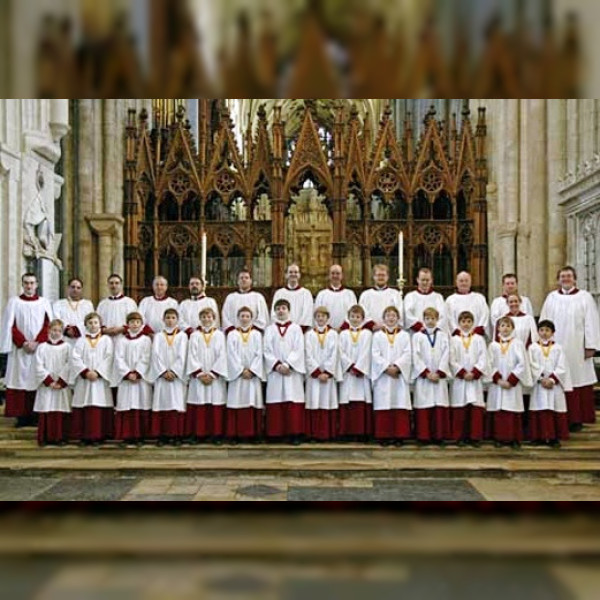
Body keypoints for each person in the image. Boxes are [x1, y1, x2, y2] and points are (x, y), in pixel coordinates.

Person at [540, 266, 600, 431]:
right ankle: (560, 419)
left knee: (577, 379)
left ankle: (577, 419)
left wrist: (591, 346)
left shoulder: (584, 297)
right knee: (558, 378)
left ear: (574, 279)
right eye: (562, 276)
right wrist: (543, 344)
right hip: (555, 348)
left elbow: (591, 322)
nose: (565, 279)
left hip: (577, 348)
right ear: (558, 279)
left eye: (568, 276)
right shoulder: (551, 298)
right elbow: (544, 323)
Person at [0, 273, 53, 426]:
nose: (29, 286)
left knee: (37, 380)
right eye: (26, 283)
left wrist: (37, 342)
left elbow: (48, 324)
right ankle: (21, 417)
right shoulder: (14, 302)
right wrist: (23, 342)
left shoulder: (44, 302)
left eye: (32, 283)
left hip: (38, 350)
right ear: (22, 285)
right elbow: (11, 325)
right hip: (20, 351)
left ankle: (37, 416)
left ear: (37, 285)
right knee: (19, 381)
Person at [263, 299, 306, 443]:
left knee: (292, 401)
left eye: (283, 308)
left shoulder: (296, 328)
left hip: (291, 372)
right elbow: (266, 349)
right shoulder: (269, 329)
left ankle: (294, 433)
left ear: (289, 310)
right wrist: (276, 365)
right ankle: (276, 433)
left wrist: (288, 364)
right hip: (276, 371)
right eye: (278, 308)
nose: (281, 311)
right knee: (276, 401)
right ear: (274, 311)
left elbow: (299, 348)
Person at [69, 312, 114, 445]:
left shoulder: (106, 340)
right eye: (90, 323)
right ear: (85, 325)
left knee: (99, 406)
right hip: (85, 380)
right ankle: (84, 436)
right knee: (84, 406)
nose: (93, 325)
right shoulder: (81, 341)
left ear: (100, 324)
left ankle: (99, 435)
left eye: (95, 322)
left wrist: (98, 372)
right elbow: (75, 357)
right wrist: (85, 372)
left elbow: (109, 357)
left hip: (100, 380)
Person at [487, 316, 531, 448]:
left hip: (512, 384)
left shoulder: (517, 344)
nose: (505, 328)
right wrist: (498, 379)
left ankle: (514, 438)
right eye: (502, 326)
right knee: (499, 410)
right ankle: (499, 438)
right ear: (498, 328)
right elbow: (489, 364)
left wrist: (511, 380)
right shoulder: (493, 345)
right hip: (498, 384)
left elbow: (522, 364)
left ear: (512, 328)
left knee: (512, 410)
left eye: (508, 326)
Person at [371, 306, 412, 446]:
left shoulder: (404, 335)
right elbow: (375, 354)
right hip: (384, 376)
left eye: (393, 315)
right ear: (383, 318)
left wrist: (398, 367)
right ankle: (384, 436)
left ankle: (399, 436)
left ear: (398, 318)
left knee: (399, 404)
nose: (391, 318)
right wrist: (386, 368)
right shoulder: (378, 335)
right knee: (384, 404)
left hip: (399, 376)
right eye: (388, 315)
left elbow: (407, 353)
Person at [185, 307, 227, 443]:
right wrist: (199, 373)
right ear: (200, 319)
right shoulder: (195, 335)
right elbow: (191, 355)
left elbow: (222, 355)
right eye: (203, 317)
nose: (206, 319)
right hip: (199, 377)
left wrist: (213, 373)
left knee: (215, 405)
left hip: (215, 377)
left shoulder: (219, 335)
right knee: (199, 405)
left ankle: (216, 435)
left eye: (209, 317)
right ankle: (198, 434)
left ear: (214, 319)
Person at [148, 308, 188, 445]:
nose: (170, 320)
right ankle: (162, 436)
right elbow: (155, 355)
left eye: (173, 318)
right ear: (163, 320)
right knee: (162, 405)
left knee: (176, 405)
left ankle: (177, 435)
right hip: (162, 377)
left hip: (176, 378)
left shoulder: (182, 336)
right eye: (168, 318)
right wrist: (163, 371)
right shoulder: (159, 336)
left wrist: (175, 371)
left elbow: (182, 356)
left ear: (177, 320)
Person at [411, 307, 451, 444]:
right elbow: (415, 356)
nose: (430, 321)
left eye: (433, 319)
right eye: (427, 319)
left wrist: (440, 372)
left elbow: (447, 354)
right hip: (424, 377)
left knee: (438, 406)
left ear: (437, 320)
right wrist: (425, 372)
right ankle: (424, 436)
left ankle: (438, 436)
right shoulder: (417, 336)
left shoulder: (443, 336)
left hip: (438, 377)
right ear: (423, 320)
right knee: (424, 406)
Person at [528, 320, 571, 447]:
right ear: (538, 332)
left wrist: (552, 379)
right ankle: (538, 437)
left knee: (553, 408)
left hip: (554, 385)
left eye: (547, 330)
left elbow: (562, 365)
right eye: (541, 330)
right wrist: (541, 378)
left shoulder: (558, 348)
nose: (544, 333)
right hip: (539, 384)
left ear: (553, 332)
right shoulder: (533, 347)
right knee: (539, 408)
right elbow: (531, 365)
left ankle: (553, 438)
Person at [112, 312, 153, 445]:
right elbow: (118, 358)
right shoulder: (121, 340)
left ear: (142, 324)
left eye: (137, 322)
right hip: (126, 379)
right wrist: (127, 373)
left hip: (141, 379)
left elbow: (146, 357)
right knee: (126, 406)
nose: (134, 324)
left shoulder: (146, 340)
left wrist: (137, 372)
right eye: (132, 322)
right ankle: (127, 435)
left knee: (140, 404)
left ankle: (140, 435)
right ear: (127, 324)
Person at [226, 306, 265, 442]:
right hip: (238, 376)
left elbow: (259, 354)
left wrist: (252, 370)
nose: (244, 319)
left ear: (251, 318)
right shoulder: (232, 334)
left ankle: (253, 434)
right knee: (237, 402)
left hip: (252, 376)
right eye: (242, 316)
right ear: (238, 318)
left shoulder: (256, 334)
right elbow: (231, 354)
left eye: (247, 316)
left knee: (252, 402)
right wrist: (240, 370)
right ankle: (235, 434)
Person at [449, 311, 488, 445]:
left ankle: (475, 437)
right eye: (463, 322)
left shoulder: (478, 339)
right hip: (460, 379)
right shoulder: (454, 340)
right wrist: (462, 373)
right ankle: (460, 437)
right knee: (460, 409)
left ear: (473, 323)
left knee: (474, 409)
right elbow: (451, 359)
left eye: (469, 322)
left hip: (474, 380)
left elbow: (483, 358)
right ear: (459, 323)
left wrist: (475, 372)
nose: (466, 324)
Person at [304, 306, 341, 441]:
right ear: (315, 318)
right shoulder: (309, 334)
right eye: (318, 316)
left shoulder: (333, 334)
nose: (320, 319)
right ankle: (313, 433)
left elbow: (334, 354)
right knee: (313, 402)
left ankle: (328, 433)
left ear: (327, 318)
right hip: (314, 376)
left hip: (327, 376)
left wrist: (327, 372)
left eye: (323, 316)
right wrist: (316, 372)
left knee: (327, 402)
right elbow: (307, 354)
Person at [33, 319, 71, 446]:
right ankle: (45, 437)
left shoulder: (67, 347)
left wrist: (61, 381)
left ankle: (60, 437)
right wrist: (49, 381)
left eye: (59, 331)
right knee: (46, 409)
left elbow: (70, 364)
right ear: (49, 330)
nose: (56, 333)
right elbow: (38, 366)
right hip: (47, 386)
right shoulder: (42, 347)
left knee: (60, 410)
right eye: (54, 330)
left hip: (61, 385)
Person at [338, 305, 373, 441]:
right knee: (347, 401)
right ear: (348, 318)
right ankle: (347, 432)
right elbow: (340, 352)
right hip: (348, 374)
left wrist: (359, 368)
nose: (355, 319)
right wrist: (350, 366)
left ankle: (362, 433)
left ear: (363, 319)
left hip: (361, 374)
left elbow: (367, 352)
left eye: (358, 317)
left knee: (361, 401)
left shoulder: (367, 334)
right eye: (352, 316)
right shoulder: (343, 334)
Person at [222, 269, 270, 334]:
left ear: (251, 281)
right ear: (237, 281)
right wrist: (232, 330)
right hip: (235, 335)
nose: (244, 280)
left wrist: (252, 330)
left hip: (253, 335)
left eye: (246, 278)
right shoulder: (230, 297)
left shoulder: (258, 297)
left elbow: (262, 316)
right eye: (241, 278)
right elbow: (225, 316)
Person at [445, 271, 490, 338]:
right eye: (461, 281)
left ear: (470, 282)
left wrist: (478, 330)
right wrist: (456, 331)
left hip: (476, 337)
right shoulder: (450, 300)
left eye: (466, 281)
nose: (464, 283)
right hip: (458, 338)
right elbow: (449, 318)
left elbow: (485, 315)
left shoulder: (479, 298)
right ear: (456, 282)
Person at [358, 264, 403, 330]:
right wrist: (372, 325)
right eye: (378, 275)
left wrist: (389, 325)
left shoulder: (395, 294)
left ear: (387, 277)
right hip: (371, 330)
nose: (381, 278)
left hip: (390, 331)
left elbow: (399, 311)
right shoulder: (366, 295)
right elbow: (361, 312)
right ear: (373, 277)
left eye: (383, 275)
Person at [270, 264, 314, 332]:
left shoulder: (306, 293)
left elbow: (307, 315)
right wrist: (284, 329)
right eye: (290, 272)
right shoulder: (279, 293)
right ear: (286, 275)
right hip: (282, 332)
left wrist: (298, 331)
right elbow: (274, 313)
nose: (293, 274)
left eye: (296, 272)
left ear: (299, 275)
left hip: (301, 332)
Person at [403, 267, 447, 334]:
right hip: (416, 333)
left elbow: (442, 316)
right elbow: (407, 315)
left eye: (427, 280)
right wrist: (421, 327)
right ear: (417, 280)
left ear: (431, 280)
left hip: (433, 334)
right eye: (422, 280)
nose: (425, 282)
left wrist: (432, 329)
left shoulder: (438, 297)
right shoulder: (410, 297)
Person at [52, 278, 95, 345]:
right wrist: (67, 329)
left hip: (82, 340)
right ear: (68, 288)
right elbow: (56, 320)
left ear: (81, 290)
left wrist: (77, 329)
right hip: (64, 339)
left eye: (78, 288)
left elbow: (90, 321)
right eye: (73, 287)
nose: (75, 289)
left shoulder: (88, 304)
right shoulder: (58, 304)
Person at [314, 264, 357, 330]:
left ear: (342, 275)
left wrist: (342, 328)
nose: (335, 276)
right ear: (329, 275)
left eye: (338, 273)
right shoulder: (322, 294)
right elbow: (317, 314)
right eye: (333, 273)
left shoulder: (350, 294)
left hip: (345, 332)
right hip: (326, 333)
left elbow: (354, 313)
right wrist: (329, 329)